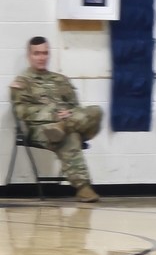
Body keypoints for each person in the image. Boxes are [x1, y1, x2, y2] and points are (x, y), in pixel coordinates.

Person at [10, 36, 102, 202]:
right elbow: (22, 112)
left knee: (96, 111)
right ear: (29, 56)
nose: (42, 57)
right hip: (41, 129)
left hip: (68, 123)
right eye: (37, 53)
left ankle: (63, 127)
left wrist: (67, 115)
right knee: (70, 137)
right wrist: (53, 113)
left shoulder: (60, 80)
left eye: (45, 53)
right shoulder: (22, 82)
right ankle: (83, 188)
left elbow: (76, 107)